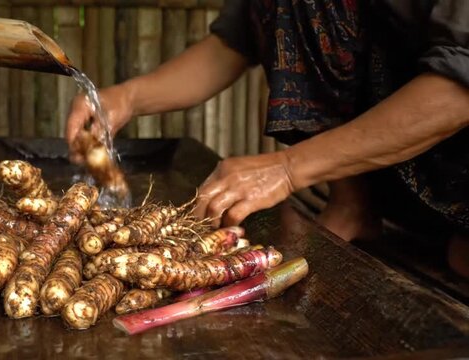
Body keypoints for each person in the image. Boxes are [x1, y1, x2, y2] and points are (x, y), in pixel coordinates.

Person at [65, 1, 469, 277]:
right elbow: (233, 42)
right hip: (401, 170)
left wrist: (287, 169)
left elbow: (457, 90)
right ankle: (353, 203)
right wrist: (127, 99)